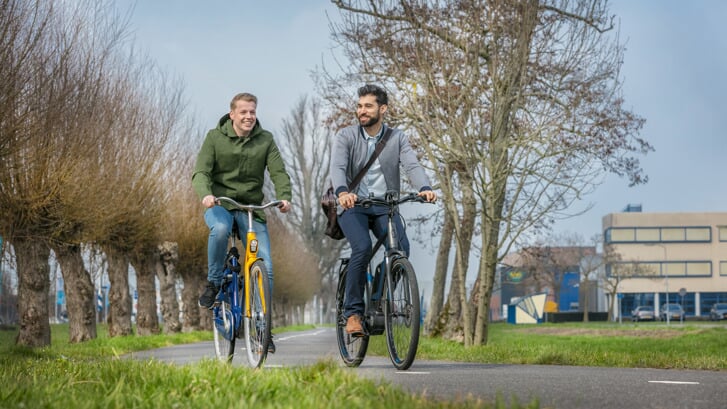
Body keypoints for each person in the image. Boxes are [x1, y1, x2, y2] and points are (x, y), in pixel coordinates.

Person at [329, 84, 437, 336]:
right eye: (359, 106)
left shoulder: (397, 138)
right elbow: (337, 167)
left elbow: (412, 165)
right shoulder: (346, 136)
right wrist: (343, 192)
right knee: (363, 248)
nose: (362, 111)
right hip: (352, 205)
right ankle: (353, 313)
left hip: (383, 207)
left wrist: (424, 187)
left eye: (368, 106)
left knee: (401, 250)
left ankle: (377, 302)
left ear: (383, 109)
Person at [192, 92, 292, 352]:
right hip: (221, 205)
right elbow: (201, 171)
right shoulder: (215, 138)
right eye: (244, 112)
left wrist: (284, 197)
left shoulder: (265, 140)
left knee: (266, 267)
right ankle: (214, 283)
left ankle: (261, 328)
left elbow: (278, 172)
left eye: (252, 112)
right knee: (221, 229)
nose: (248, 117)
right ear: (232, 114)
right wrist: (206, 194)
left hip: (251, 209)